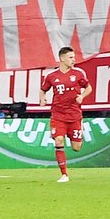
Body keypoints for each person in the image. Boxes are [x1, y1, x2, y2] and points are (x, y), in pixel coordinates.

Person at [38, 45, 90, 183]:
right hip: (58, 115)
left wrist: (82, 96)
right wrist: (42, 98)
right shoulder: (51, 76)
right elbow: (43, 90)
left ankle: (80, 127)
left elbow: (88, 88)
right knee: (59, 140)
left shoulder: (78, 74)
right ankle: (64, 174)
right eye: (71, 57)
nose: (74, 60)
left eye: (74, 57)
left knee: (76, 147)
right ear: (62, 58)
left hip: (74, 116)